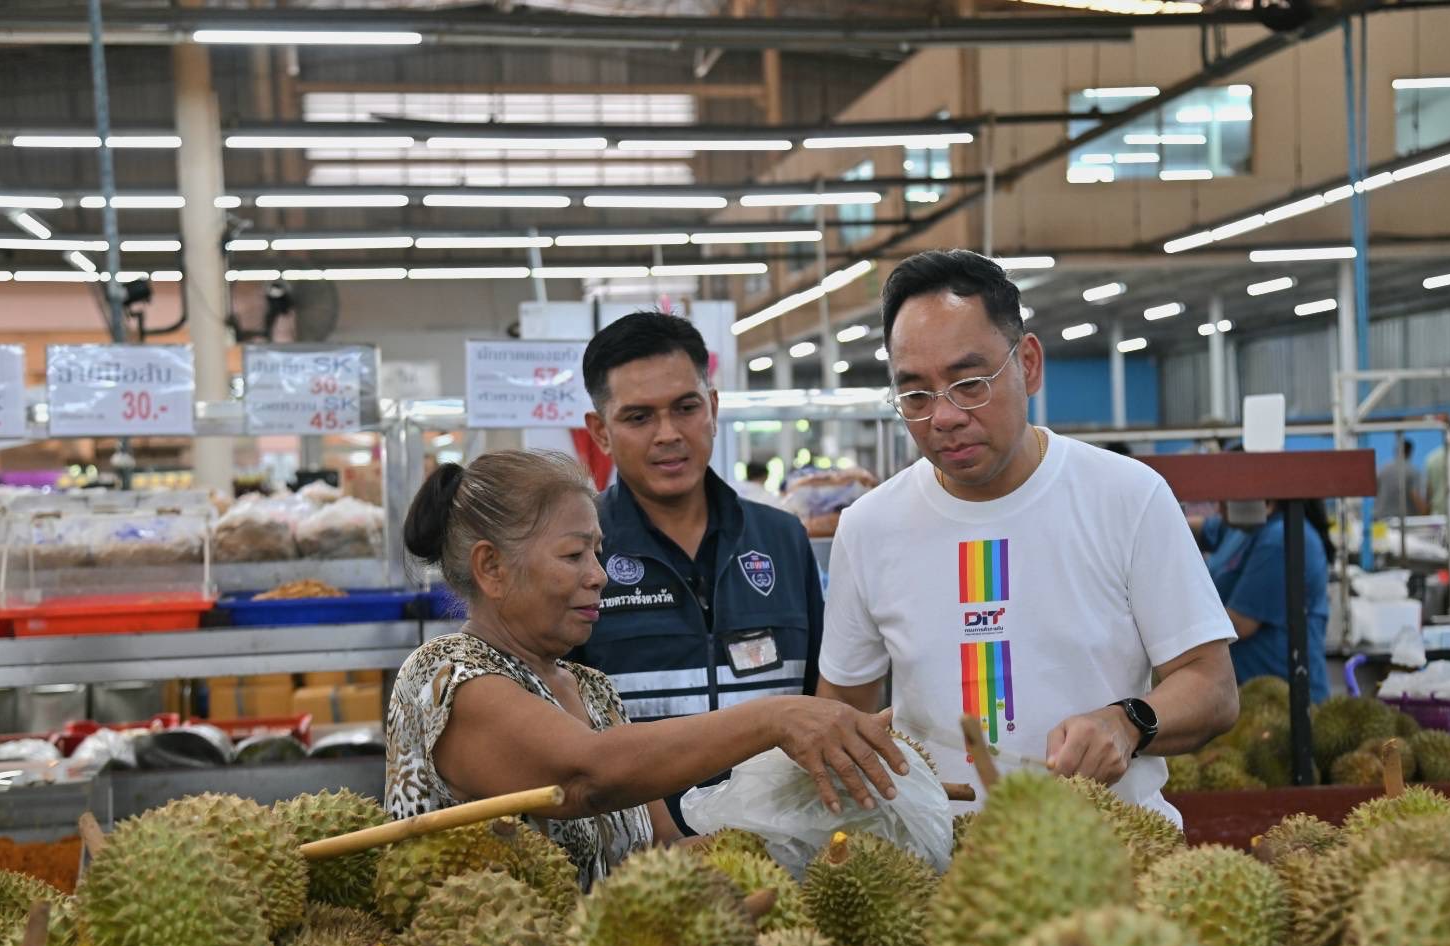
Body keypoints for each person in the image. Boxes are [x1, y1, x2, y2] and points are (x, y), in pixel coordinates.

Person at [816, 249, 1237, 823]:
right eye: (915, 394)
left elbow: (1213, 688)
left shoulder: (1128, 497)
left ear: (1028, 364)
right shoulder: (869, 527)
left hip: (1110, 860)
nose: (943, 416)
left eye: (969, 383)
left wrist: (1129, 721)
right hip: (944, 871)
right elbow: (843, 713)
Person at [385, 450, 903, 889]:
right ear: (492, 568)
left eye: (598, 551)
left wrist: (777, 854)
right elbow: (583, 777)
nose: (599, 576)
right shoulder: (446, 678)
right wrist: (776, 718)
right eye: (573, 555)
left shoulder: (592, 691)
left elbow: (659, 844)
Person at [571, 311, 828, 832]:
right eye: (639, 417)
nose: (668, 434)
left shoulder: (782, 539)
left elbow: (823, 694)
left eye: (685, 408)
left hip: (787, 850)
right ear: (600, 432)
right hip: (642, 868)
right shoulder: (575, 554)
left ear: (712, 407)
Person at [1195, 499, 1335, 702]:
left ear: (1267, 501)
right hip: (1246, 695)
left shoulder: (1281, 537)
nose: (1218, 508)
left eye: (1226, 502)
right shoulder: (1241, 527)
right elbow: (1200, 528)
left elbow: (1240, 624)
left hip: (1284, 701)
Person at [1375, 438, 1426, 519]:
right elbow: (1415, 496)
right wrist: (1425, 514)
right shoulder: (1412, 471)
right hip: (1404, 520)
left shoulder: (1383, 469)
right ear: (1410, 452)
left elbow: (1376, 491)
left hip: (1381, 518)